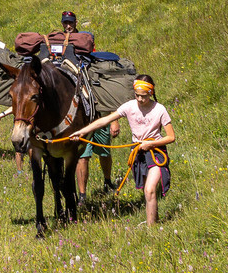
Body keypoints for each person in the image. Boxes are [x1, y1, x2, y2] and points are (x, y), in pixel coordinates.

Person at [67, 73, 176, 226]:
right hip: (138, 152)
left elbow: (171, 137)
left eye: (143, 96)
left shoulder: (160, 109)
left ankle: (151, 228)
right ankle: (154, 223)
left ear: (151, 93)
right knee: (147, 192)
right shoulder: (129, 106)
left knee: (150, 190)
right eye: (137, 95)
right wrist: (82, 131)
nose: (140, 99)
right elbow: (105, 120)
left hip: (156, 151)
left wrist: (150, 144)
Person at [49, 11, 113, 202]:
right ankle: (82, 194)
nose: (67, 26)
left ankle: (107, 180)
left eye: (70, 22)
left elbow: (96, 75)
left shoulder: (84, 40)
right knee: (82, 154)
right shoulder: (59, 42)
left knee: (104, 148)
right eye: (65, 23)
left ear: (75, 23)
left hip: (93, 101)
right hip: (76, 104)